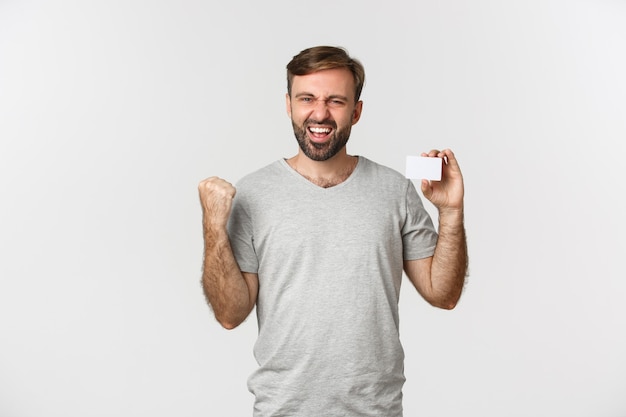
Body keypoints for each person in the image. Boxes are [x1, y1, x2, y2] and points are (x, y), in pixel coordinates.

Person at [198, 45, 468, 416]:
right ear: (289, 104)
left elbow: (444, 294)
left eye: (336, 101)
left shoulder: (395, 190)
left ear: (356, 111)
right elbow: (231, 314)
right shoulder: (253, 193)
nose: (319, 113)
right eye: (306, 98)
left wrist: (451, 211)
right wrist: (213, 227)